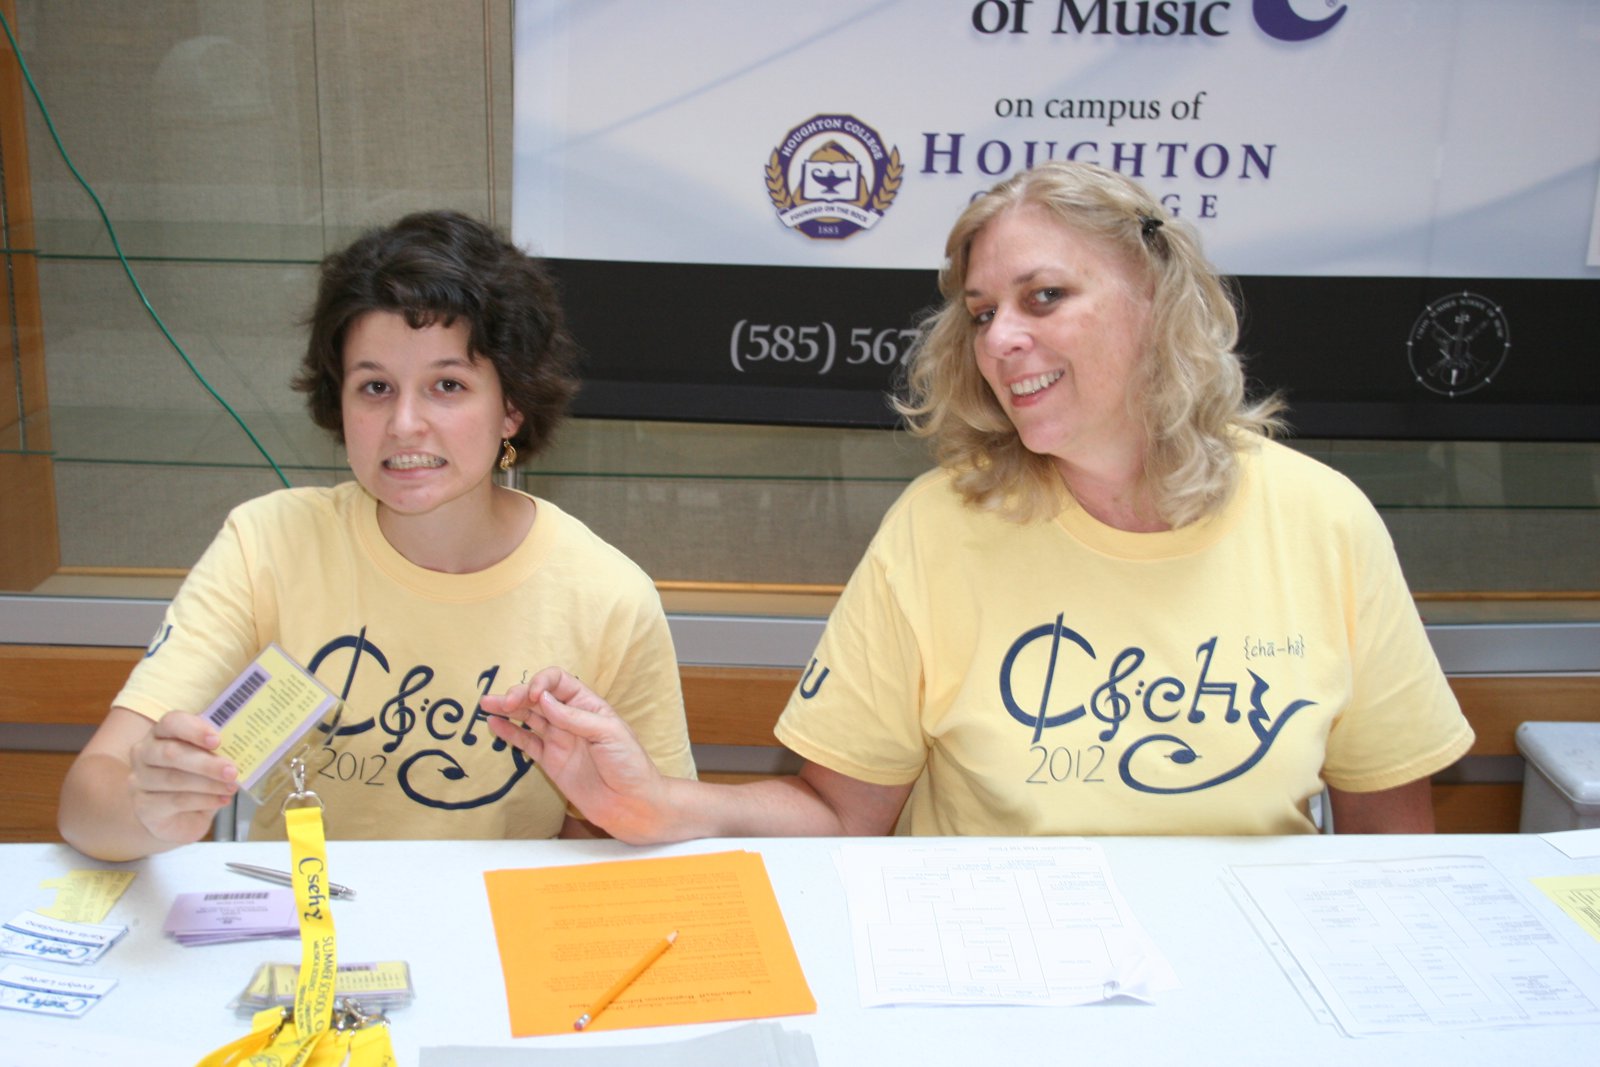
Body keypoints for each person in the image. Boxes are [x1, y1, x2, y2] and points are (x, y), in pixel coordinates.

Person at [482, 161, 1473, 841]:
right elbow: (839, 815)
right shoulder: (938, 526)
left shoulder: (1321, 520)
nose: (1000, 339)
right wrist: (657, 805)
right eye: (983, 312)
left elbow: (1393, 841)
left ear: (1154, 295)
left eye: (1044, 297)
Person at [58, 210, 695, 861]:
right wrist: (145, 806)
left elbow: (644, 831)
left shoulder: (608, 596)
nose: (405, 423)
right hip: (300, 912)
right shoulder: (268, 544)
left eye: (447, 385)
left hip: (494, 917)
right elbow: (87, 800)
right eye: (375, 387)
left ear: (511, 406)